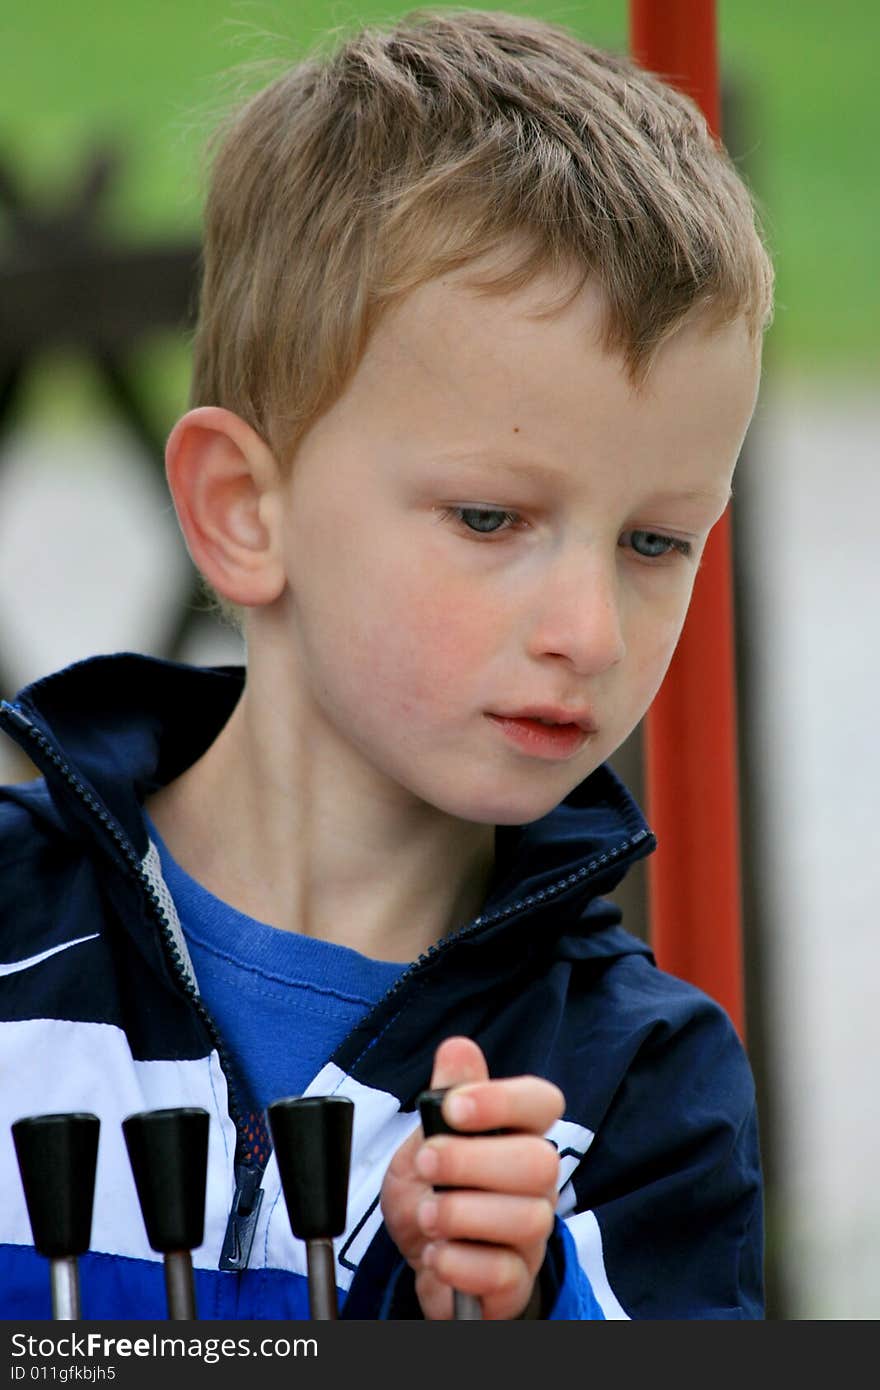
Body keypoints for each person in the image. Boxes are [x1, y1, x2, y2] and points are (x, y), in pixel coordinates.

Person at [0, 8, 773, 1320]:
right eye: (490, 519)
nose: (589, 626)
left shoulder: (639, 1083)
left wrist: (522, 1311)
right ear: (247, 509)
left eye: (656, 539)